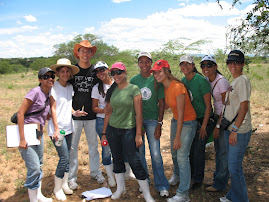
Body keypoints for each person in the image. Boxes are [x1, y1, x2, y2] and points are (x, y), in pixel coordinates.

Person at [102, 62, 155, 202]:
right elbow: (108, 112)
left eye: (118, 72)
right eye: (112, 73)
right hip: (113, 130)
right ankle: (120, 189)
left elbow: (139, 114)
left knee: (134, 160)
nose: (116, 76)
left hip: (129, 131)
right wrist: (104, 132)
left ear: (125, 73)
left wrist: (138, 134)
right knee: (117, 160)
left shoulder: (134, 89)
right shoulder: (112, 90)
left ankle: (147, 194)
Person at [151, 60, 197, 202]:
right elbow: (168, 106)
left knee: (182, 156)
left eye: (159, 71)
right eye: (154, 72)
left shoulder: (178, 87)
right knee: (175, 153)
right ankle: (177, 176)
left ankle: (183, 194)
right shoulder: (165, 87)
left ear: (167, 72)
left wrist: (178, 137)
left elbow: (182, 113)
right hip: (176, 121)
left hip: (187, 122)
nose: (156, 74)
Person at [130, 52, 169, 197]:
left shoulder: (156, 80)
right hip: (138, 121)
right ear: (138, 63)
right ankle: (144, 181)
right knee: (140, 153)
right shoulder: (134, 80)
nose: (144, 64)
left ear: (151, 63)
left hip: (152, 120)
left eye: (147, 62)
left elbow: (161, 103)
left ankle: (162, 185)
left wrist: (159, 122)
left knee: (156, 154)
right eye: (141, 62)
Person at [68, 40, 104, 190]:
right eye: (82, 51)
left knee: (93, 146)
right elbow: (64, 92)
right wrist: (71, 110)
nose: (85, 54)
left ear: (91, 54)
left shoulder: (95, 72)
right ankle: (71, 177)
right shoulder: (72, 71)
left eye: (88, 51)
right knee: (73, 147)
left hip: (91, 115)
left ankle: (95, 172)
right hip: (74, 115)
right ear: (78, 53)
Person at [17, 67, 55, 202]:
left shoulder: (49, 93)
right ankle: (33, 199)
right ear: (40, 79)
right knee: (34, 168)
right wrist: (22, 138)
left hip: (38, 133)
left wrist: (47, 115)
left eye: (52, 76)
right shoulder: (35, 92)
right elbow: (20, 113)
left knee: (39, 164)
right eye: (46, 77)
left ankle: (38, 195)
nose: (50, 79)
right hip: (27, 132)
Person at [219, 50, 252, 202]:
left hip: (238, 130)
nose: (233, 65)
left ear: (242, 64)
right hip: (230, 128)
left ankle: (242, 199)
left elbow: (244, 107)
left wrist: (235, 129)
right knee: (233, 167)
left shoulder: (242, 80)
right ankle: (232, 196)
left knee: (235, 168)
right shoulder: (235, 80)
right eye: (230, 62)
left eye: (237, 62)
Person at [179, 55, 215, 189]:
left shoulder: (201, 81)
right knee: (190, 149)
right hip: (192, 120)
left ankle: (198, 179)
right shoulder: (183, 81)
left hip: (204, 120)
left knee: (198, 150)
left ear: (193, 66)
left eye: (188, 64)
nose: (185, 67)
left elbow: (208, 106)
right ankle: (191, 176)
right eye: (182, 64)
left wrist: (204, 126)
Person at [47, 58, 80, 200]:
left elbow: (67, 105)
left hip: (69, 127)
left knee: (67, 157)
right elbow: (53, 108)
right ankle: (57, 188)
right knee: (64, 157)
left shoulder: (70, 87)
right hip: (58, 129)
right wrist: (55, 129)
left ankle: (65, 184)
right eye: (63, 71)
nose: (65, 74)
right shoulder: (53, 88)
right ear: (58, 73)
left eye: (68, 71)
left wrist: (74, 112)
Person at [200, 55, 230, 192]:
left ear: (215, 67)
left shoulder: (222, 82)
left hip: (224, 118)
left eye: (209, 65)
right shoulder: (207, 79)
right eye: (203, 65)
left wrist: (218, 125)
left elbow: (227, 106)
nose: (206, 68)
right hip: (217, 116)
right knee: (218, 151)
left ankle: (220, 184)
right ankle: (217, 179)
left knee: (222, 152)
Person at [91, 61, 116, 187]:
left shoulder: (116, 83)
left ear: (108, 69)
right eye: (97, 71)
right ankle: (110, 177)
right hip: (101, 121)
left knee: (117, 147)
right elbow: (94, 108)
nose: (100, 73)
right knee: (106, 149)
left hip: (117, 120)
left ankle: (120, 173)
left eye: (102, 70)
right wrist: (104, 110)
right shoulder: (96, 88)